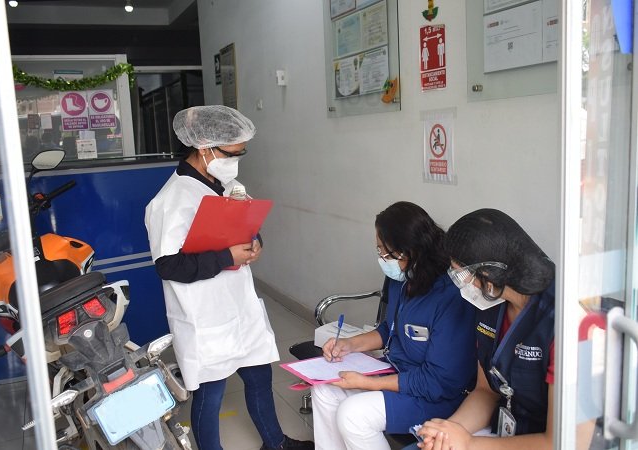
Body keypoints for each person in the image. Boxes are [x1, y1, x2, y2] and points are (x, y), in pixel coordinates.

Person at [145, 105, 313, 450]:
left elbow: (246, 227)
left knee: (260, 376)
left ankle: (275, 443)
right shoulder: (172, 200)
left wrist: (254, 244)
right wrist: (227, 257)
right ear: (204, 147)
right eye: (231, 153)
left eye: (241, 153)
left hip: (239, 307)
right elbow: (168, 265)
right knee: (211, 392)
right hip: (204, 316)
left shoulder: (227, 184)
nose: (236, 161)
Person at [311, 201, 477, 450]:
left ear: (414, 250)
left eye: (388, 254)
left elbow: (440, 381)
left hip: (436, 396)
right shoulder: (401, 279)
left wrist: (367, 383)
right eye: (379, 251)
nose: (383, 260)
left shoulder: (450, 296)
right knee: (324, 391)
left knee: (353, 415)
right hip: (397, 373)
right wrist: (349, 345)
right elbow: (390, 330)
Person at [417, 208, 556, 450]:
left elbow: (559, 441)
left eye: (461, 275)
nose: (462, 285)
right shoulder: (489, 303)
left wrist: (469, 443)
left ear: (488, 275)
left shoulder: (562, 322)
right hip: (505, 431)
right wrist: (448, 433)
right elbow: (486, 391)